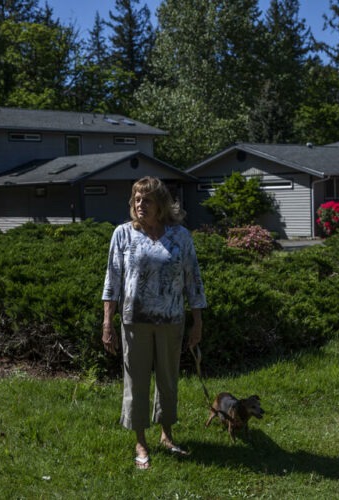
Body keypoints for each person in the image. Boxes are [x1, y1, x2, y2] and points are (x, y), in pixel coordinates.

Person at [102, 176, 207, 470]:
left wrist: (197, 322)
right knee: (136, 382)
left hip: (171, 320)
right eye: (136, 199)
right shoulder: (122, 234)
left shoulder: (180, 236)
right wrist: (107, 323)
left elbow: (193, 280)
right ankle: (140, 441)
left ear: (161, 204)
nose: (139, 205)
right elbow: (112, 281)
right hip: (134, 321)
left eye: (146, 199)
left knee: (168, 380)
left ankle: (166, 435)